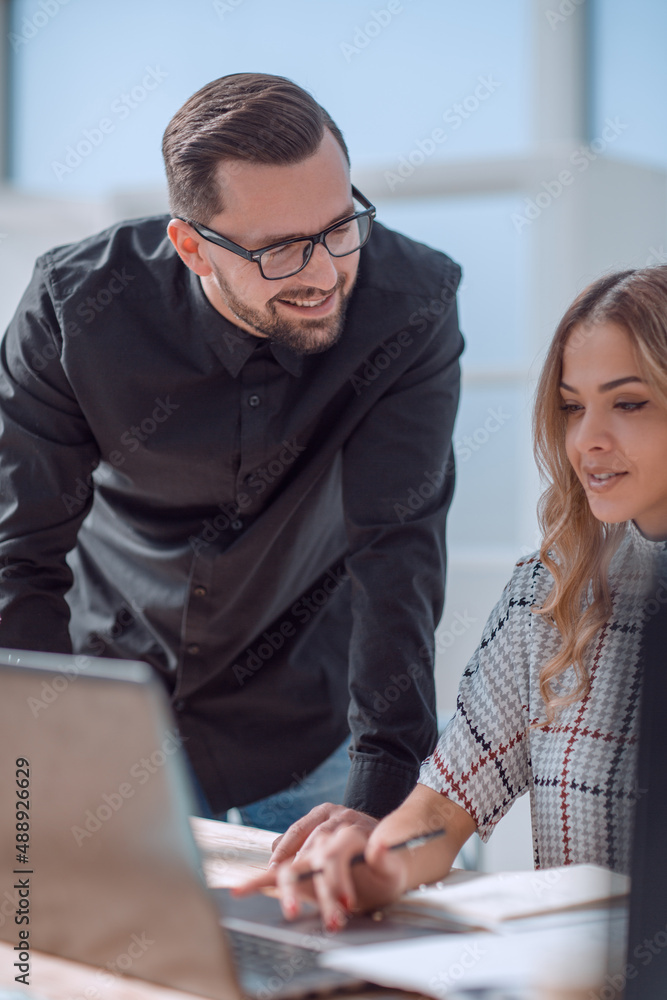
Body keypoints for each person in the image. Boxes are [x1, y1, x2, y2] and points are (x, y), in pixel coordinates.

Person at [0, 74, 463, 831]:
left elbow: (397, 549)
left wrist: (381, 797)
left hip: (312, 720)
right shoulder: (74, 309)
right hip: (116, 705)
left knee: (341, 941)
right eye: (279, 250)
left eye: (339, 227)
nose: (322, 274)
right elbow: (18, 556)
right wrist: (38, 764)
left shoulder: (408, 305)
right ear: (191, 246)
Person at [238, 264, 667, 929]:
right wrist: (377, 863)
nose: (586, 441)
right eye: (571, 406)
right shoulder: (548, 594)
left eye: (629, 402)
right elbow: (440, 809)